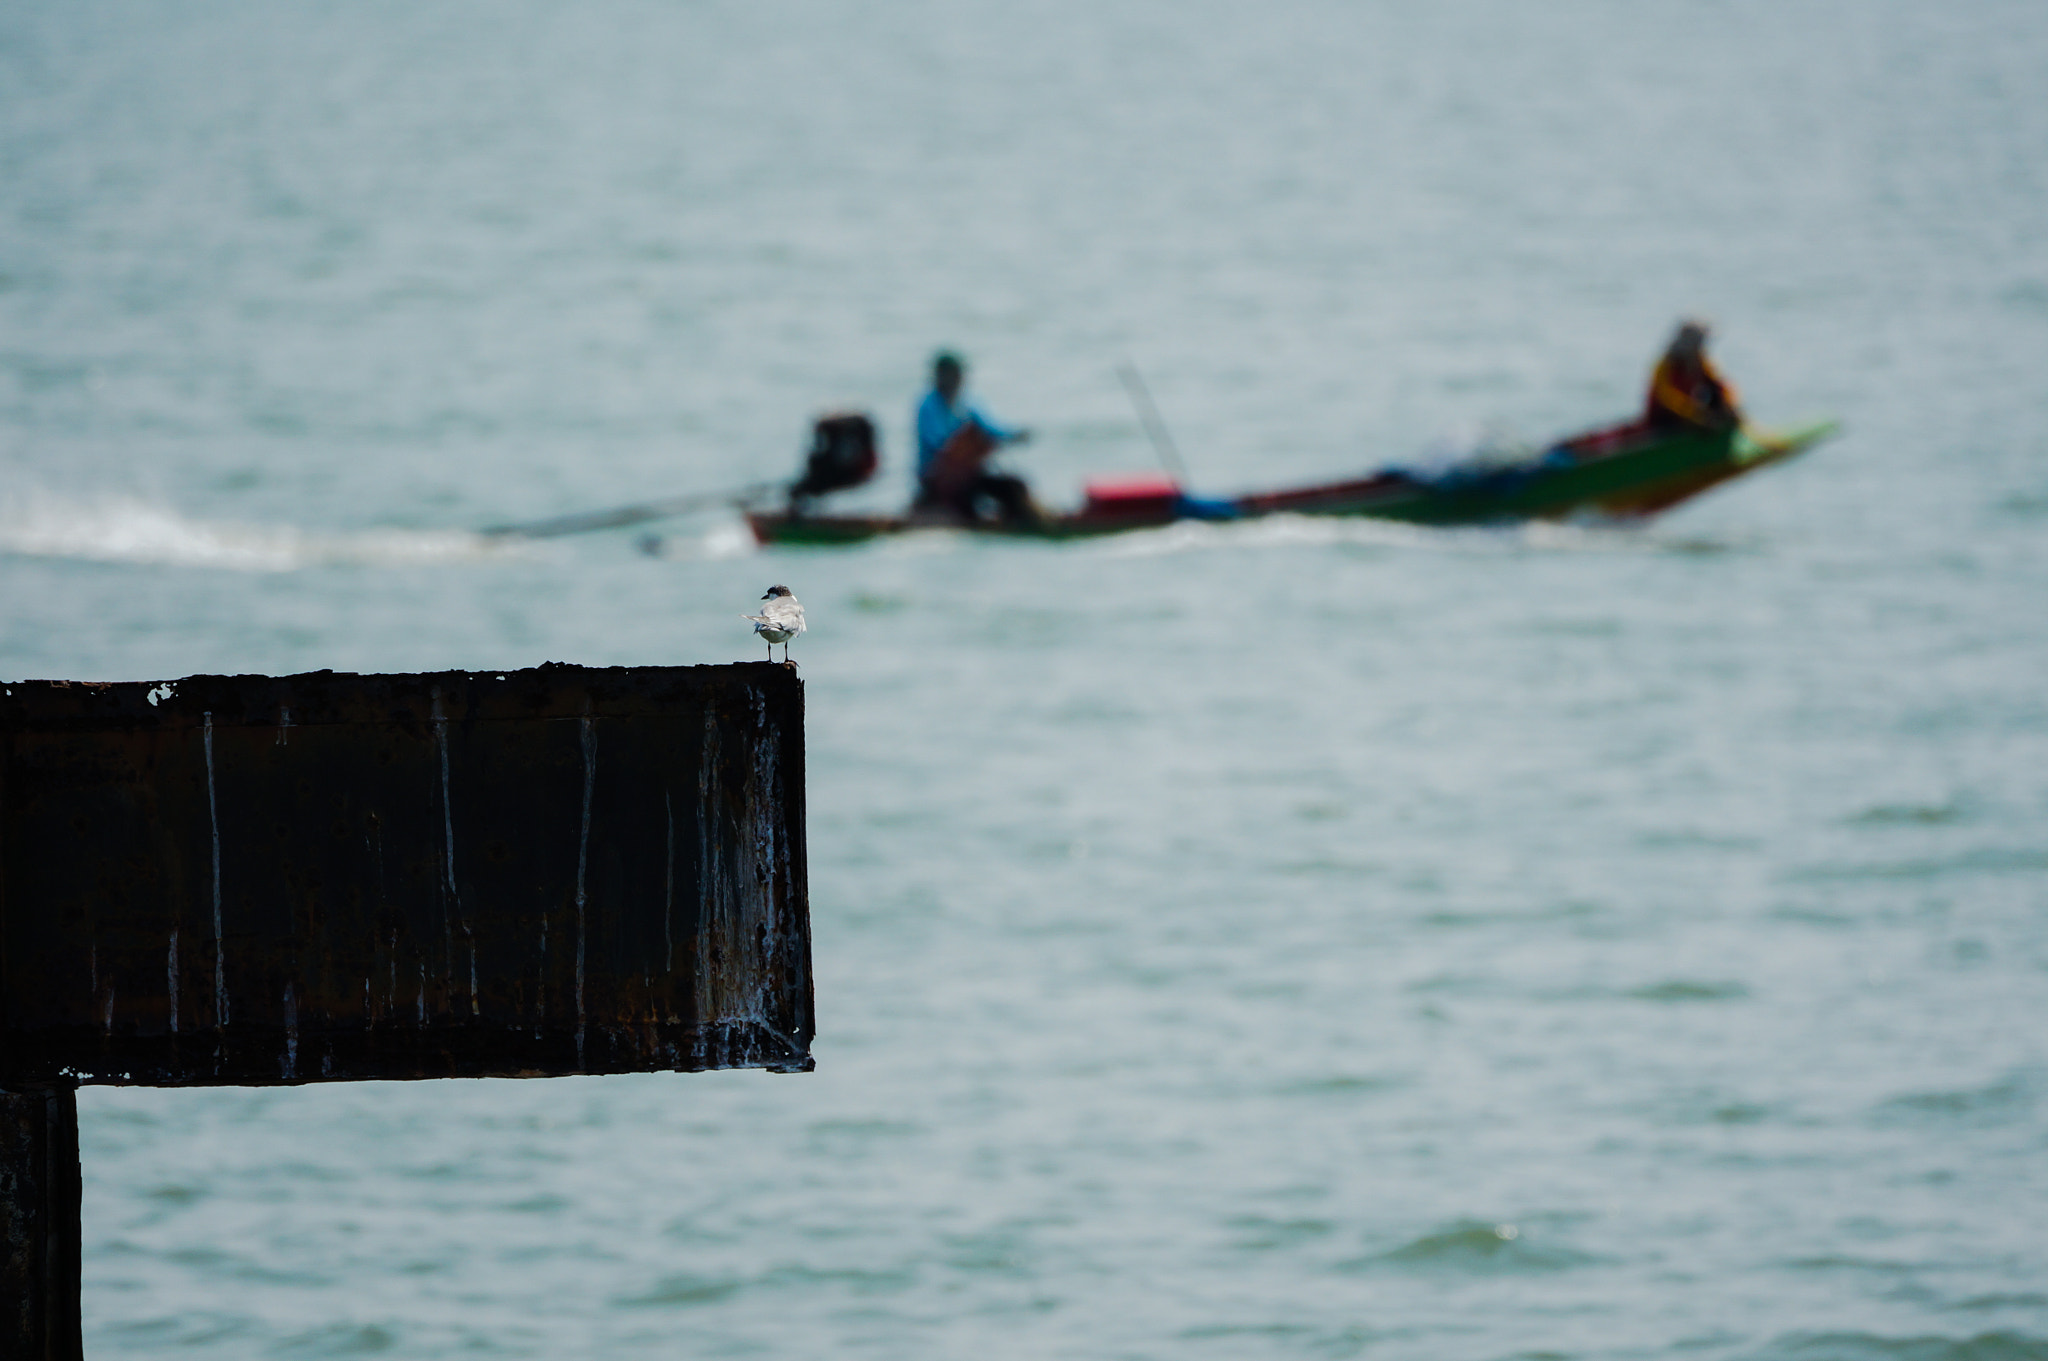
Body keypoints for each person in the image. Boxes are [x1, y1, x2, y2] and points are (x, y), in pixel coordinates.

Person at [913, 351, 1037, 524]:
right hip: (937, 479)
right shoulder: (928, 405)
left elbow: (993, 429)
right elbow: (937, 443)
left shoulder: (968, 403)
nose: (956, 378)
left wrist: (1014, 435)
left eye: (958, 373)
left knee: (1014, 487)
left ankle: (1022, 521)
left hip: (968, 475)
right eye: (950, 373)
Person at [1645, 319, 1743, 433]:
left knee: (1720, 399)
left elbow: (1722, 385)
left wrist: (1730, 405)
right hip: (1665, 420)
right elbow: (1668, 398)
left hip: (1692, 416)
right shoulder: (1665, 365)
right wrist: (1695, 415)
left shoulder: (1701, 362)